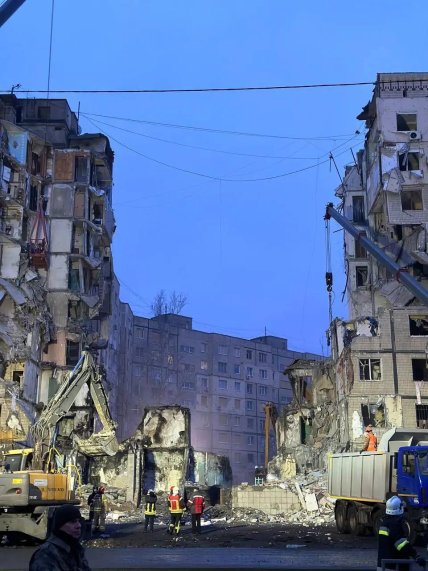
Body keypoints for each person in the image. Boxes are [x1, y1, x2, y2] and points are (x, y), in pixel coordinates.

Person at [29, 504, 91, 571]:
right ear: (60, 526)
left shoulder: (75, 550)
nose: (79, 525)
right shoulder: (45, 555)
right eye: (73, 522)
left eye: (79, 521)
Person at [377, 496, 425, 571]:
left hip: (382, 565)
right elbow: (401, 545)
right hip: (393, 566)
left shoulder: (384, 523)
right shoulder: (394, 525)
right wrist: (416, 556)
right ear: (399, 508)